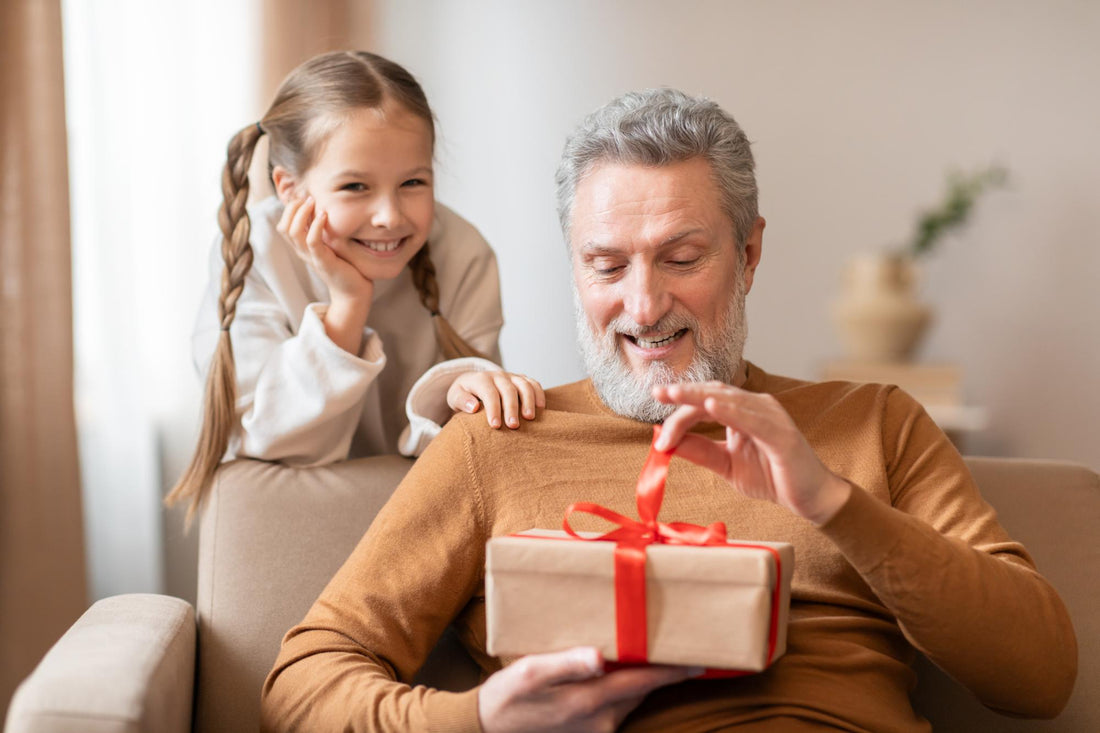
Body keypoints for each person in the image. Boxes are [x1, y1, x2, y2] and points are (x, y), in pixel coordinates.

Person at [259, 88, 1077, 732]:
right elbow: (303, 683)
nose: (644, 306)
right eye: (607, 265)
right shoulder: (497, 440)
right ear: (574, 270)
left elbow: (1040, 677)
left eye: (683, 258)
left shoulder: (876, 423)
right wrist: (477, 719)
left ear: (748, 253)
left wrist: (829, 500)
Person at [166, 51, 544, 518]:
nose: (389, 216)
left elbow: (474, 443)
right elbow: (273, 443)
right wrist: (347, 304)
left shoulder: (463, 254)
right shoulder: (254, 253)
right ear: (290, 189)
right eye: (355, 187)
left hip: (426, 514)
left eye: (412, 182)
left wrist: (459, 395)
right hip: (288, 520)